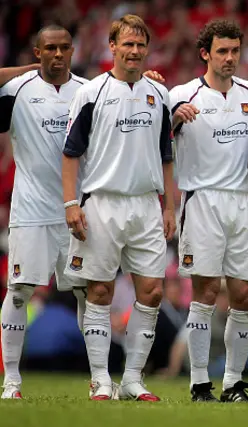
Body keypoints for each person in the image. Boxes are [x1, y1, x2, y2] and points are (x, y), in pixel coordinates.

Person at [62, 15, 176, 401]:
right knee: (99, 291)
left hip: (146, 204)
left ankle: (131, 380)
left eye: (141, 45)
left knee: (153, 292)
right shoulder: (91, 92)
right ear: (112, 47)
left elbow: (167, 156)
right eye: (127, 44)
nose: (134, 51)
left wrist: (169, 207)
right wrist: (70, 202)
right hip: (102, 201)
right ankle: (100, 379)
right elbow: (71, 152)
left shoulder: (160, 94)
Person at [169, 19, 248, 403]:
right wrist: (175, 119)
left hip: (244, 202)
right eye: (222, 51)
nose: (230, 58)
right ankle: (198, 383)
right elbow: (159, 140)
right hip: (202, 199)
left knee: (243, 296)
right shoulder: (182, 93)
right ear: (205, 53)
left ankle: (232, 383)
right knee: (207, 290)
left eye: (235, 51)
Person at [0, 25, 90, 400]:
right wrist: (25, 71)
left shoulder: (89, 91)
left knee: (89, 292)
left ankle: (99, 379)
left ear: (73, 49)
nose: (58, 54)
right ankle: (12, 382)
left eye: (64, 48)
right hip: (31, 210)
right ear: (37, 52)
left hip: (79, 211)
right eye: (49, 48)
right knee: (19, 291)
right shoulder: (15, 91)